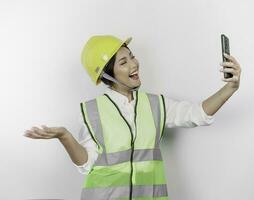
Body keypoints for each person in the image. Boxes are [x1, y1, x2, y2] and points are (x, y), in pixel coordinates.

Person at [24, 35, 242, 200]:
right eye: (123, 62)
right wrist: (65, 137)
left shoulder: (156, 104)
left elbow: (197, 113)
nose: (134, 64)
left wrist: (230, 88)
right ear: (106, 74)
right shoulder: (92, 111)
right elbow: (86, 164)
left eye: (132, 56)